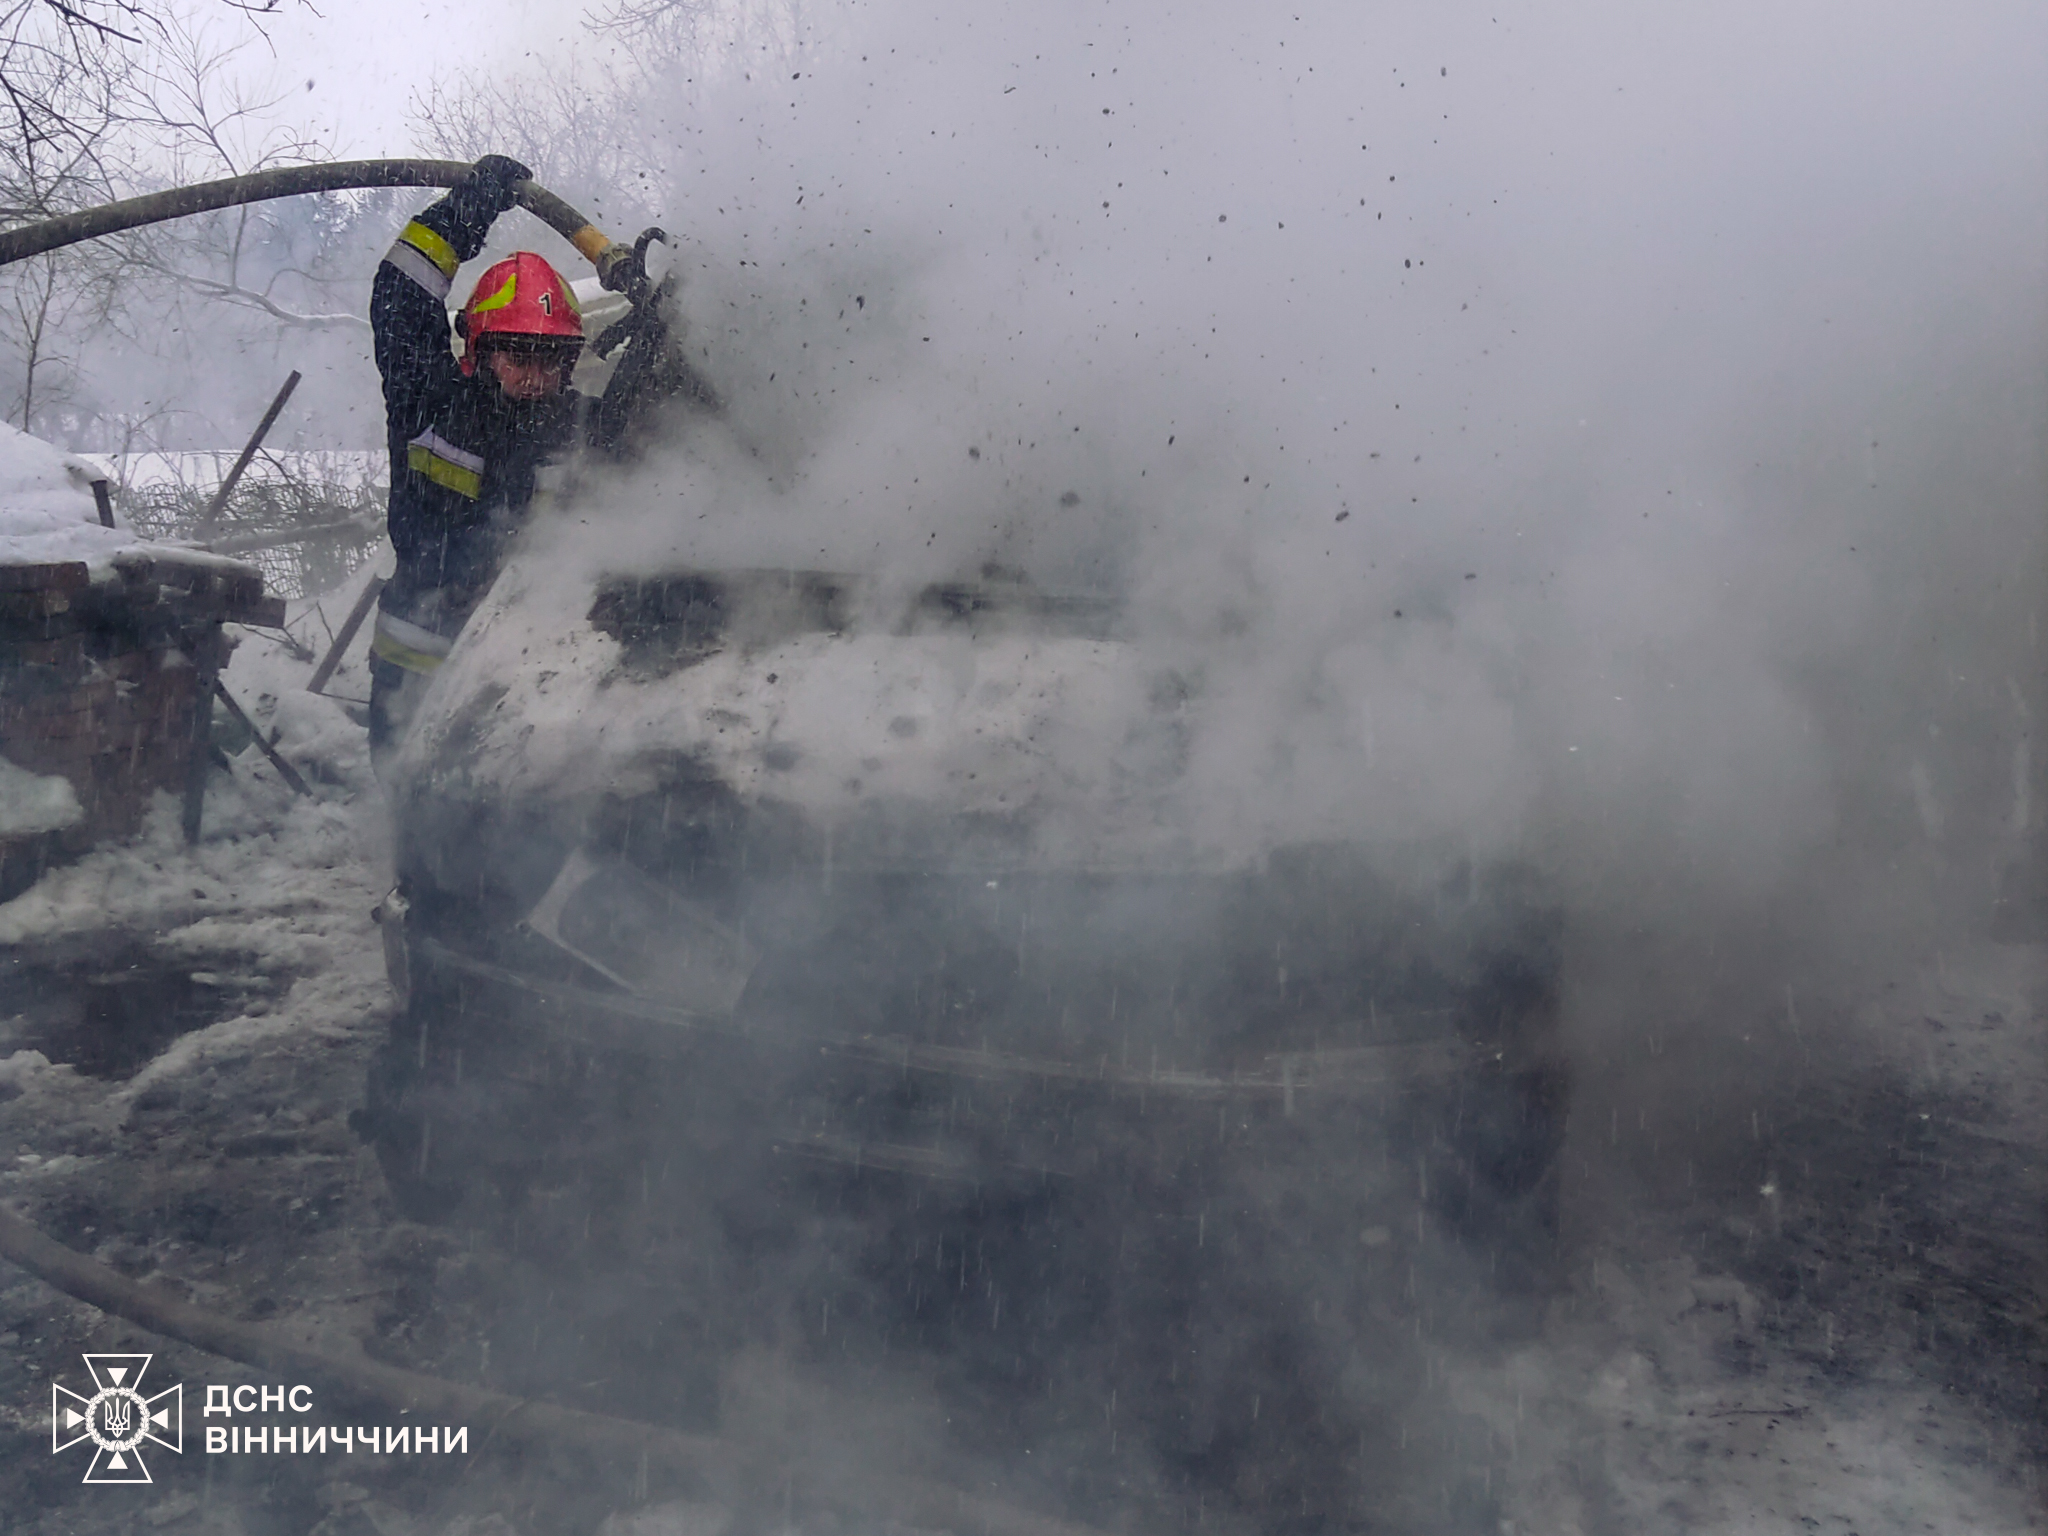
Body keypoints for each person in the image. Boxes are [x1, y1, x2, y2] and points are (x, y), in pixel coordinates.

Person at [366, 153, 677, 772]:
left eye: (551, 359)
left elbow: (652, 437)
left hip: (521, 680)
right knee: (421, 822)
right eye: (518, 355)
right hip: (416, 670)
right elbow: (401, 295)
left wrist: (662, 334)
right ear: (479, 350)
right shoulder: (427, 405)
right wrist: (470, 208)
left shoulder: (583, 429)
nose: (537, 377)